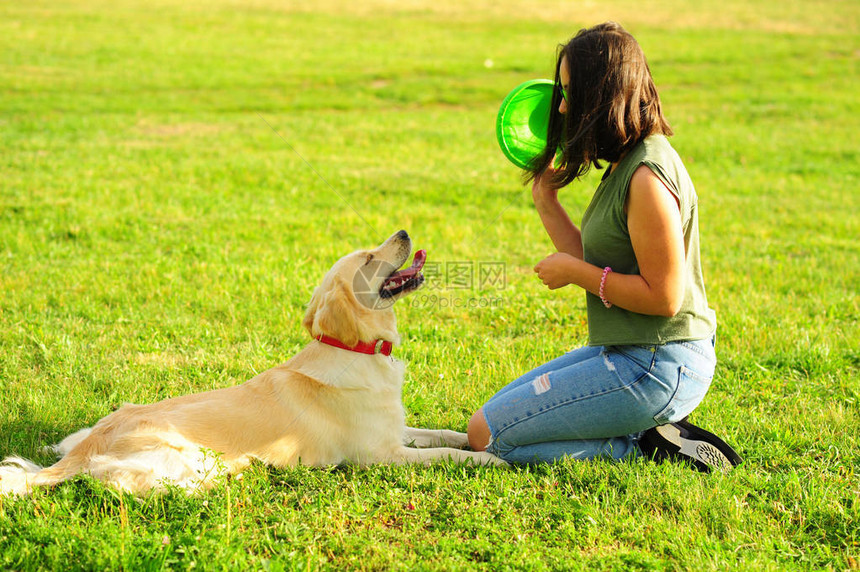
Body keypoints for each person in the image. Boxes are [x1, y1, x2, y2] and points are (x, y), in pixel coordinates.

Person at [467, 22, 742, 472]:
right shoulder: (623, 163)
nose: (560, 105)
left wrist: (574, 274)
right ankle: (641, 428)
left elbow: (665, 297)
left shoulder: (647, 175)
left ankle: (642, 446)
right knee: (483, 424)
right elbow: (595, 260)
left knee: (491, 440)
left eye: (570, 91)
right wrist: (545, 200)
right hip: (626, 351)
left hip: (659, 363)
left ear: (601, 95)